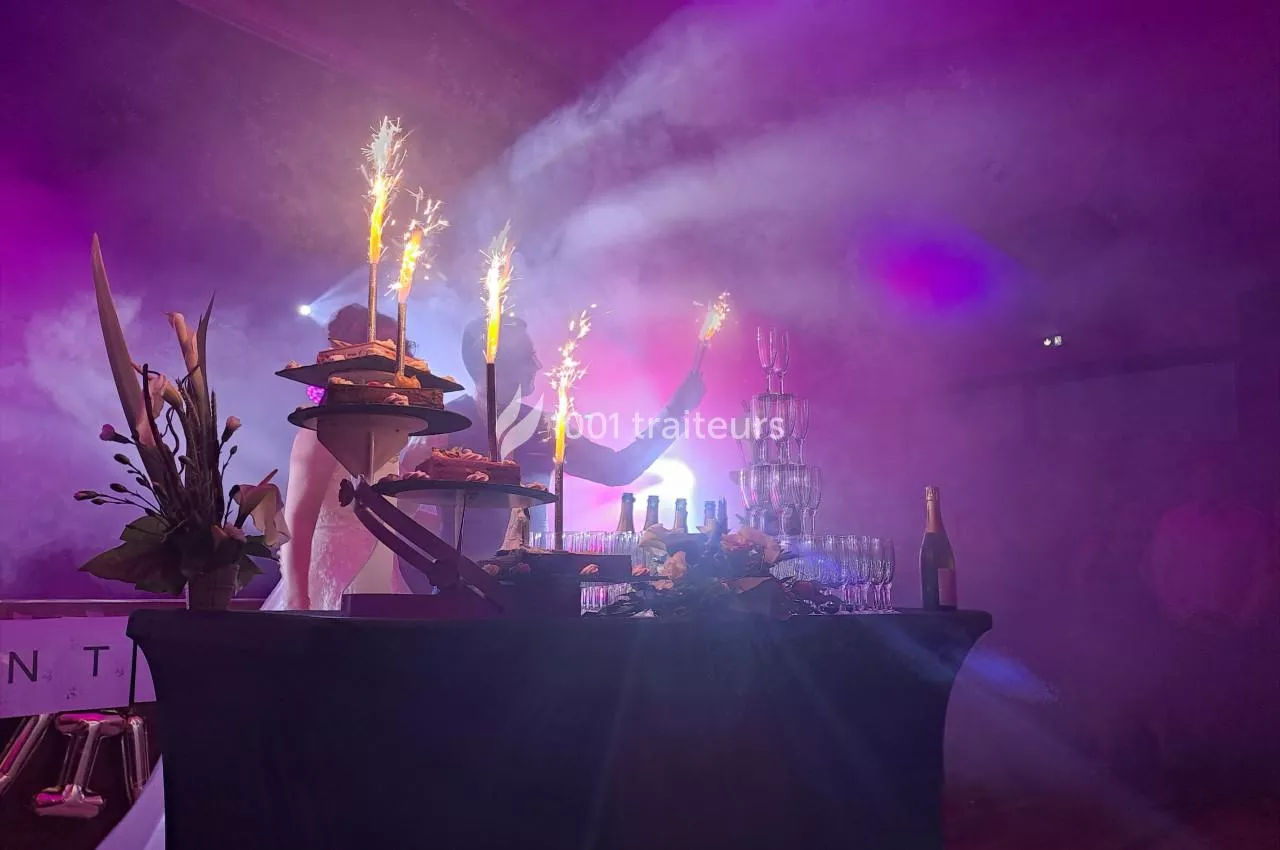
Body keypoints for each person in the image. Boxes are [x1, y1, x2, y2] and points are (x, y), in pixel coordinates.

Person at [403, 315, 705, 559]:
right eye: (527, 357)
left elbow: (618, 469)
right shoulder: (442, 424)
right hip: (461, 590)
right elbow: (410, 521)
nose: (538, 365)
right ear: (492, 361)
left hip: (530, 585)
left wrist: (676, 411)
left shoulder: (545, 427)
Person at [263, 305, 413, 611]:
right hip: (328, 579)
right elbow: (297, 521)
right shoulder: (320, 430)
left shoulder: (395, 433)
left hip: (382, 573)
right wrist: (298, 599)